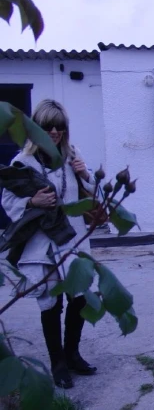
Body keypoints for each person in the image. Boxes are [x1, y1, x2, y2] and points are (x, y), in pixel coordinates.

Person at [0, 99, 97, 389]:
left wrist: (85, 175)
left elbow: (93, 192)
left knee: (79, 297)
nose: (54, 131)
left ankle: (73, 354)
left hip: (72, 238)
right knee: (50, 302)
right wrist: (32, 201)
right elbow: (7, 200)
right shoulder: (22, 162)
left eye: (60, 126)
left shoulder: (72, 156)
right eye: (48, 126)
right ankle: (58, 364)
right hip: (41, 244)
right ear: (37, 128)